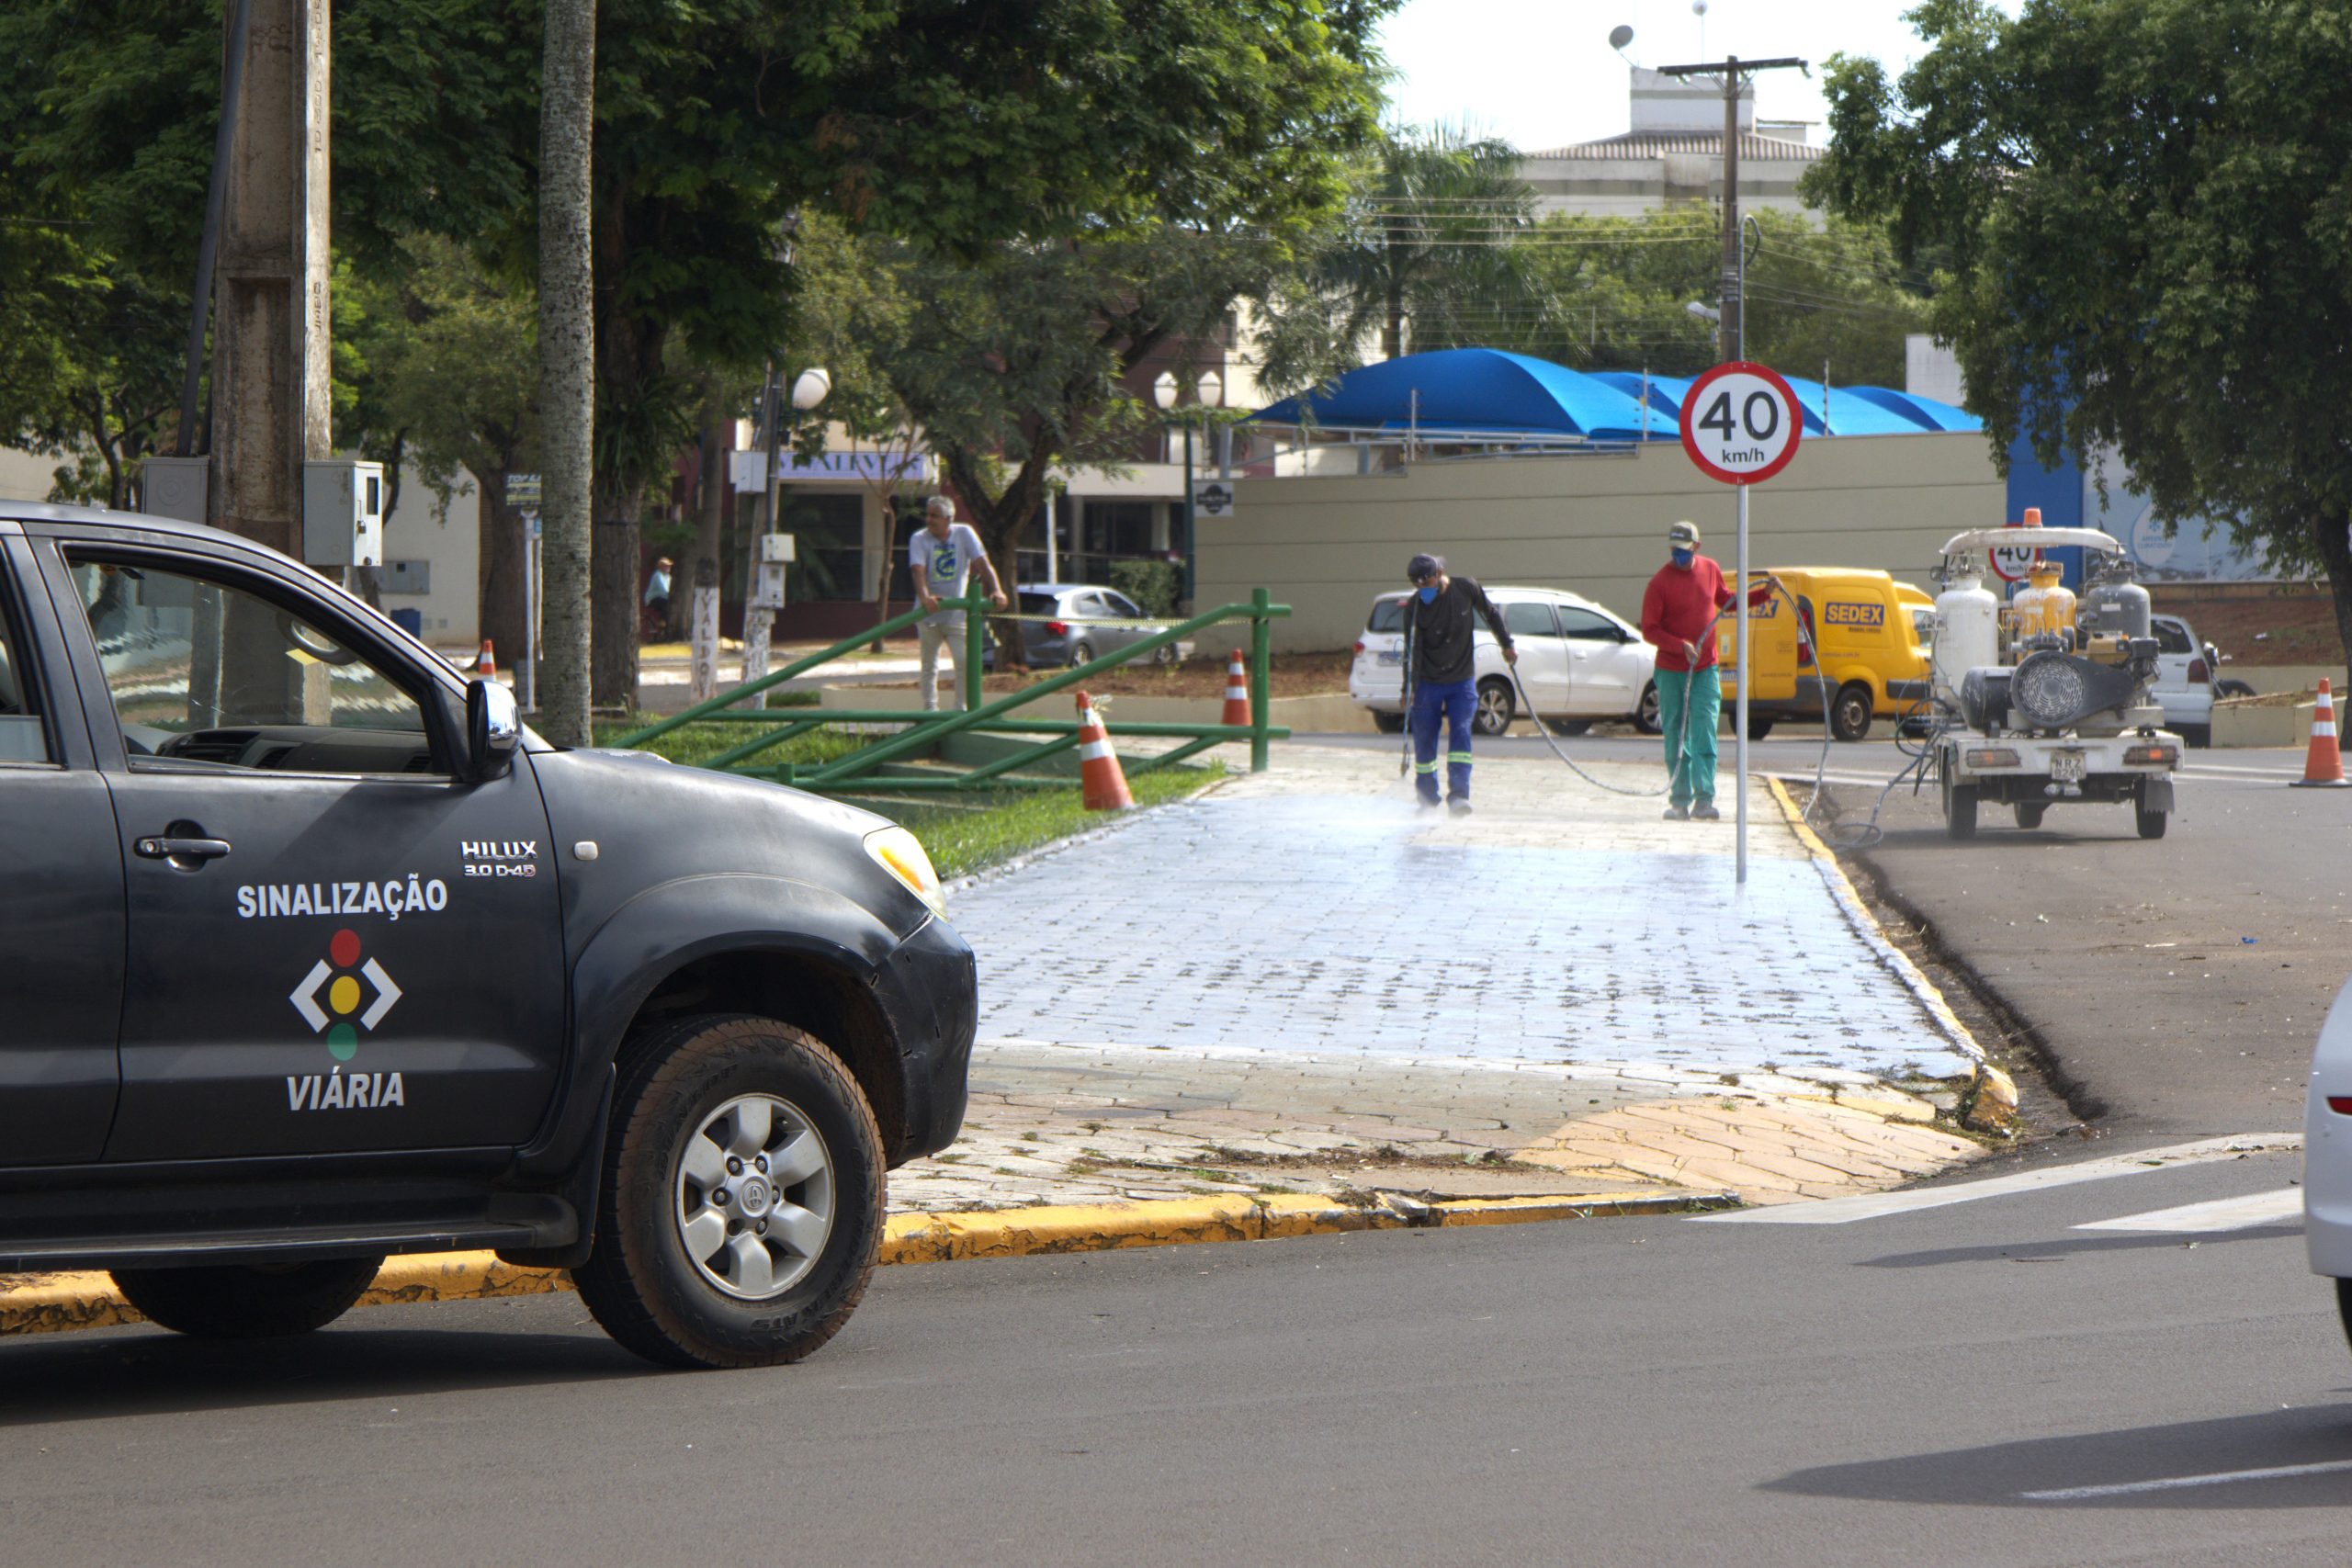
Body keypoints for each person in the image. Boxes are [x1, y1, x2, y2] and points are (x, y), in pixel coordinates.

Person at [1639, 521, 1774, 821]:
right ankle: (1679, 800)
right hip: (1672, 670)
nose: (1679, 557)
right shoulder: (1659, 583)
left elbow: (1727, 601)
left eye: (1684, 552)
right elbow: (1649, 629)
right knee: (1676, 733)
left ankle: (1704, 799)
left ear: (1697, 547)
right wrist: (1679, 646)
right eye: (1674, 551)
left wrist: (1763, 594)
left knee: (1705, 732)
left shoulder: (1710, 569)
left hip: (1704, 669)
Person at [1398, 552, 1515, 814]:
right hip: (1428, 682)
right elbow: (1412, 651)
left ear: (1439, 575)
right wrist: (1409, 687)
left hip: (1461, 681)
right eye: (1417, 586)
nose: (1422, 590)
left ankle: (1460, 796)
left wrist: (1507, 644)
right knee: (1425, 740)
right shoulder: (1415, 608)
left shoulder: (1466, 588)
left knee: (1461, 733)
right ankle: (1427, 799)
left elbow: (1491, 613)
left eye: (1426, 584)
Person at [910, 494, 1008, 711]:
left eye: (935, 516)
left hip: (956, 615)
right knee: (929, 665)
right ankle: (930, 710)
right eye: (928, 514)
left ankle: (960, 708)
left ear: (948, 518)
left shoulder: (964, 533)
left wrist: (997, 590)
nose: (929, 519)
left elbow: (983, 564)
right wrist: (925, 597)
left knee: (964, 661)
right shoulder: (919, 538)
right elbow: (918, 570)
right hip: (928, 615)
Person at [642, 556, 673, 634]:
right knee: (665, 604)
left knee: (669, 604)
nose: (668, 567)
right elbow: (663, 589)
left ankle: (666, 625)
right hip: (652, 599)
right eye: (666, 566)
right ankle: (662, 624)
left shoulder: (668, 577)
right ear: (661, 567)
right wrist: (670, 596)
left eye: (669, 566)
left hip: (663, 597)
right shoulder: (657, 575)